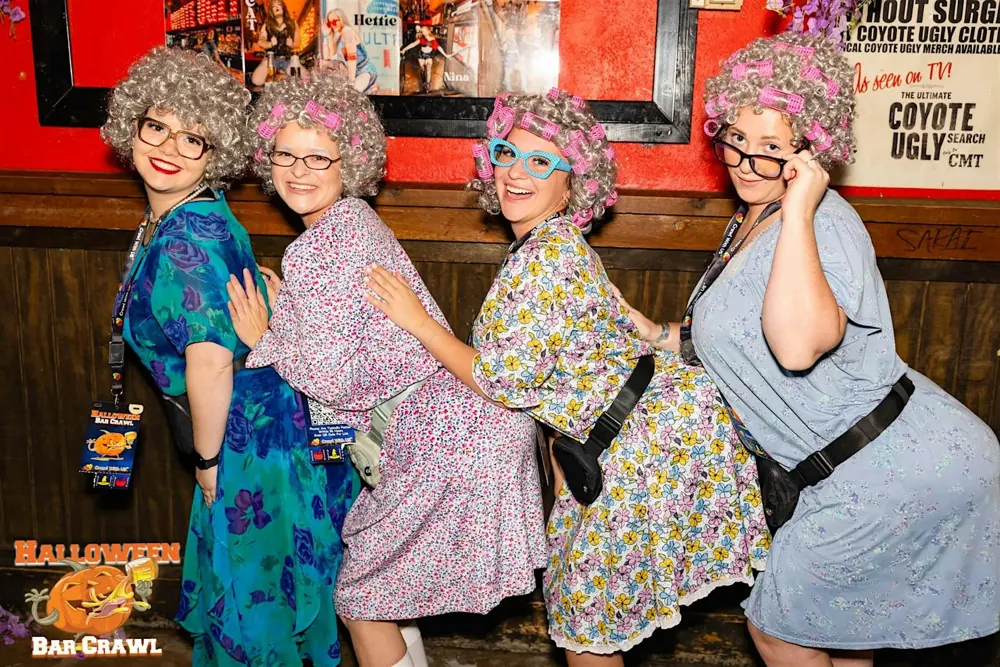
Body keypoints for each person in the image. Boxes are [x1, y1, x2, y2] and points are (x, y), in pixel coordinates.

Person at [619, 32, 1000, 667]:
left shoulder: (820, 223)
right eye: (736, 138)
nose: (746, 161)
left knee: (778, 629)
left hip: (896, 467)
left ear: (812, 150)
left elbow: (796, 347)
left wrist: (800, 207)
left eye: (772, 147)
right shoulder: (754, 215)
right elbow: (741, 333)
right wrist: (652, 331)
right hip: (846, 471)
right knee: (842, 641)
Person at [364, 88, 769, 666]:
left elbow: (503, 383)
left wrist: (417, 321)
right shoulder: (545, 244)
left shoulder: (548, 254)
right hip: (617, 437)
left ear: (571, 183)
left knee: (586, 631)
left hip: (643, 446)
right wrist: (557, 465)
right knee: (585, 625)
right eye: (507, 153)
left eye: (540, 161)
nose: (516, 173)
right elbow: (558, 377)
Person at [226, 71, 547, 667]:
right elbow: (351, 330)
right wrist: (289, 307)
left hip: (441, 439)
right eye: (286, 155)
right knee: (382, 593)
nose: (299, 171)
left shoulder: (317, 247)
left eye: (318, 157)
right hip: (469, 425)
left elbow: (334, 382)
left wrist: (263, 339)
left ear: (349, 163)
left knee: (361, 599)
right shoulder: (354, 221)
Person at [100, 47, 356, 666]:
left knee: (252, 609)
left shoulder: (186, 236)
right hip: (261, 425)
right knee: (256, 600)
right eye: (156, 126)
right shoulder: (193, 213)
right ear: (131, 126)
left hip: (243, 442)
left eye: (194, 139)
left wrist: (210, 461)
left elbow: (211, 362)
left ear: (215, 153)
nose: (169, 148)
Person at [321, 9, 378, 93]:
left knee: (350, 93)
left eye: (334, 22)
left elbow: (352, 57)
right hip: (354, 73)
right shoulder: (339, 35)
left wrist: (351, 80)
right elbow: (330, 57)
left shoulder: (347, 31)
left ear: (341, 19)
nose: (332, 25)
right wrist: (328, 35)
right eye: (329, 23)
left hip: (365, 71)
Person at [250, 0, 300, 87]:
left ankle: (281, 78)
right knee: (256, 80)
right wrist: (270, 44)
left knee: (303, 78)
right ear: (271, 11)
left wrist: (292, 44)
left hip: (288, 59)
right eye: (273, 6)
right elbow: (261, 41)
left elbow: (298, 42)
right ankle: (280, 78)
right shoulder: (267, 25)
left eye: (279, 5)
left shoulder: (293, 23)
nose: (276, 7)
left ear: (283, 7)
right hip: (271, 59)